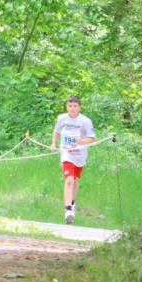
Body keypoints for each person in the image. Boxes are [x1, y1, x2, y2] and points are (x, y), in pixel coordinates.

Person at [50, 96, 96, 224]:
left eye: (75, 106)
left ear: (79, 107)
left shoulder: (86, 121)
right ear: (67, 107)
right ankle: (68, 210)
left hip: (80, 155)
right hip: (66, 153)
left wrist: (80, 141)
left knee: (75, 180)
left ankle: (72, 203)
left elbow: (93, 139)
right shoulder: (61, 118)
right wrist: (53, 144)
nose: (72, 108)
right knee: (69, 180)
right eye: (70, 106)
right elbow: (56, 131)